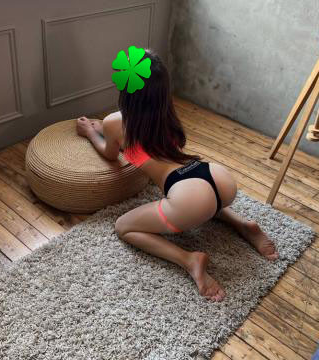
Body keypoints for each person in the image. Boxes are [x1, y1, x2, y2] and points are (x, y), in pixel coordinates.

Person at [77, 50, 278, 302]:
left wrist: (91, 132)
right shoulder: (167, 114)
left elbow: (110, 154)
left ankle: (189, 259)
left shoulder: (113, 123)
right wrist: (105, 129)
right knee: (203, 203)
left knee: (123, 227)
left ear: (124, 88)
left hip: (188, 195)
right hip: (217, 178)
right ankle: (242, 224)